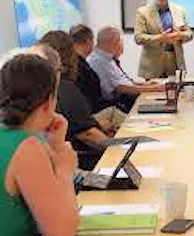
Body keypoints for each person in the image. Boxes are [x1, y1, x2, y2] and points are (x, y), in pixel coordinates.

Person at [0, 54, 78, 235]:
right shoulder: (26, 147)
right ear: (49, 101)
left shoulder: (22, 139)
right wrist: (66, 170)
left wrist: (56, 146)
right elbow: (62, 231)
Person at [39, 31, 112, 170]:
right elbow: (87, 134)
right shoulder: (65, 88)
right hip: (82, 163)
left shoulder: (42, 89)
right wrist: (119, 149)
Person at [88, 26, 164, 112]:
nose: (122, 43)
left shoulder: (108, 58)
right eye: (120, 40)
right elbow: (121, 88)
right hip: (117, 104)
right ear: (113, 43)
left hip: (124, 98)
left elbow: (124, 81)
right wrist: (154, 88)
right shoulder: (100, 61)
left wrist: (146, 84)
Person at [134, 0, 194, 79]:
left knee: (177, 93)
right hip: (153, 66)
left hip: (175, 62)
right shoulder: (143, 12)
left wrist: (180, 35)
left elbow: (189, 34)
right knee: (153, 95)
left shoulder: (179, 10)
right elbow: (138, 38)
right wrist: (160, 38)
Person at [70, 24, 126, 129]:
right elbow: (92, 97)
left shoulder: (78, 64)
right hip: (92, 113)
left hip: (91, 111)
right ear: (88, 41)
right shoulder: (82, 66)